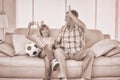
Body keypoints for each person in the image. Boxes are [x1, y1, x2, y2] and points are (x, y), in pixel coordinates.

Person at [54, 6, 95, 80]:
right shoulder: (63, 28)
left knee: (90, 52)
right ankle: (63, 77)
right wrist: (56, 45)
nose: (65, 19)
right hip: (65, 53)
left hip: (77, 54)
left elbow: (83, 26)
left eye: (67, 17)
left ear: (73, 18)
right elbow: (56, 41)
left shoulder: (79, 28)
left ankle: (84, 78)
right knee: (57, 51)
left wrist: (71, 15)